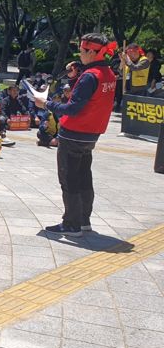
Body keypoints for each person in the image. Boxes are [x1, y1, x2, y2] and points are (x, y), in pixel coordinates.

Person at [36, 33, 117, 237]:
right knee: (84, 176)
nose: (79, 54)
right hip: (92, 133)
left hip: (74, 133)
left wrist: (46, 103)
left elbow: (72, 108)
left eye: (82, 51)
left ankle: (71, 224)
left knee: (69, 178)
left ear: (91, 51)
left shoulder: (90, 76)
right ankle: (84, 220)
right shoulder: (108, 74)